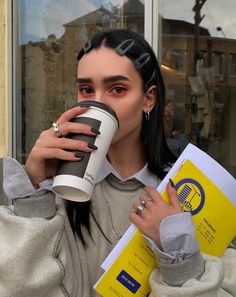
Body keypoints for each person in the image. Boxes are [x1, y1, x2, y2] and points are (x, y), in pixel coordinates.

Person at [0, 29, 235, 297]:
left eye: (117, 89)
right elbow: (17, 289)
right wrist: (32, 199)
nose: (97, 104)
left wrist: (179, 256)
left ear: (148, 99)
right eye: (86, 89)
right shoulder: (57, 191)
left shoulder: (187, 191)